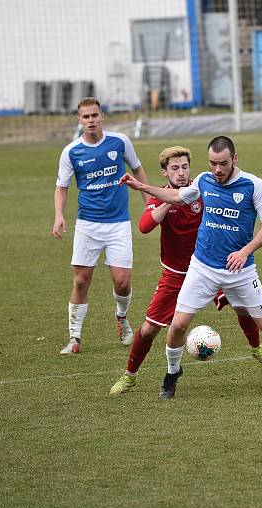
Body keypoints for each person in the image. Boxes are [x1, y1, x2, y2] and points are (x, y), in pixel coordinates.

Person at [120, 136, 262, 398]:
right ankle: (171, 374)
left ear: (234, 159)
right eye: (212, 163)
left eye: (222, 163)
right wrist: (140, 186)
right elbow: (176, 196)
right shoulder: (204, 181)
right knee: (178, 326)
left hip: (242, 270)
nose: (217, 169)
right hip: (202, 268)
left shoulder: (254, 185)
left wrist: (245, 251)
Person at [52, 97, 150, 354]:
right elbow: (61, 187)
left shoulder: (120, 142)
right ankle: (74, 338)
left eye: (95, 115)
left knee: (122, 282)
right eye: (86, 117)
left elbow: (138, 170)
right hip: (87, 224)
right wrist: (59, 215)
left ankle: (121, 318)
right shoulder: (71, 151)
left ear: (102, 116)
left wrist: (148, 201)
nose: (91, 120)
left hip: (118, 223)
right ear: (79, 120)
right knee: (81, 281)